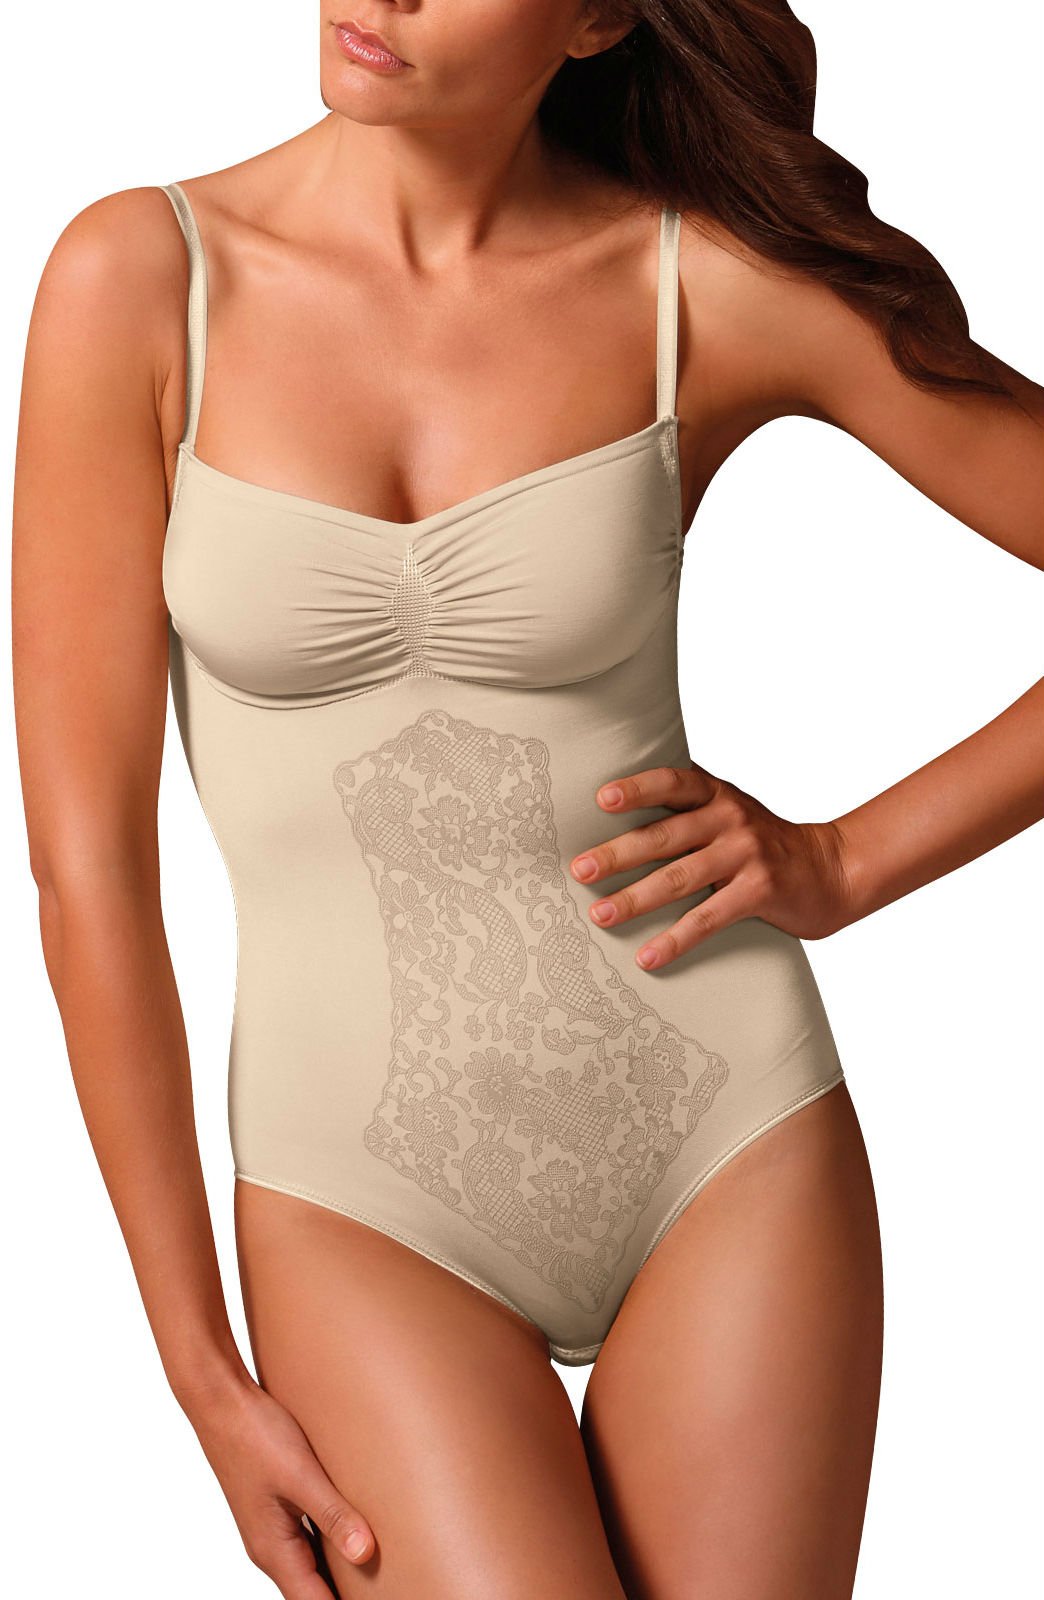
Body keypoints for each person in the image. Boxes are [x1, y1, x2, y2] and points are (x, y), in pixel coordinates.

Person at [12, 6, 1043, 1598]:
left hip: (724, 1132)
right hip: (359, 1197)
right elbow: (88, 870)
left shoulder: (694, 283)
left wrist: (849, 859)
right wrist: (199, 1367)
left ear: (596, 16)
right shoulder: (145, 280)